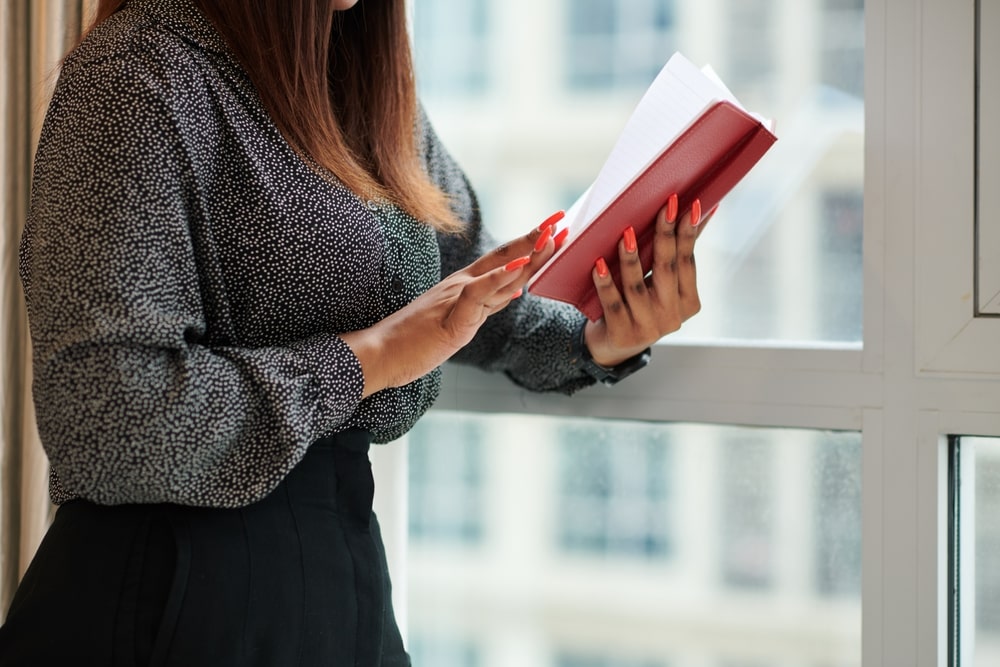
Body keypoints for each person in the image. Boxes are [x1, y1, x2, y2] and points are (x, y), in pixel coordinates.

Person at [0, 0, 708, 665]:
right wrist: (366, 360)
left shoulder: (363, 79)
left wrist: (600, 337)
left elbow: (461, 299)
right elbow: (103, 417)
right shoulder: (137, 73)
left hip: (342, 579)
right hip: (170, 598)